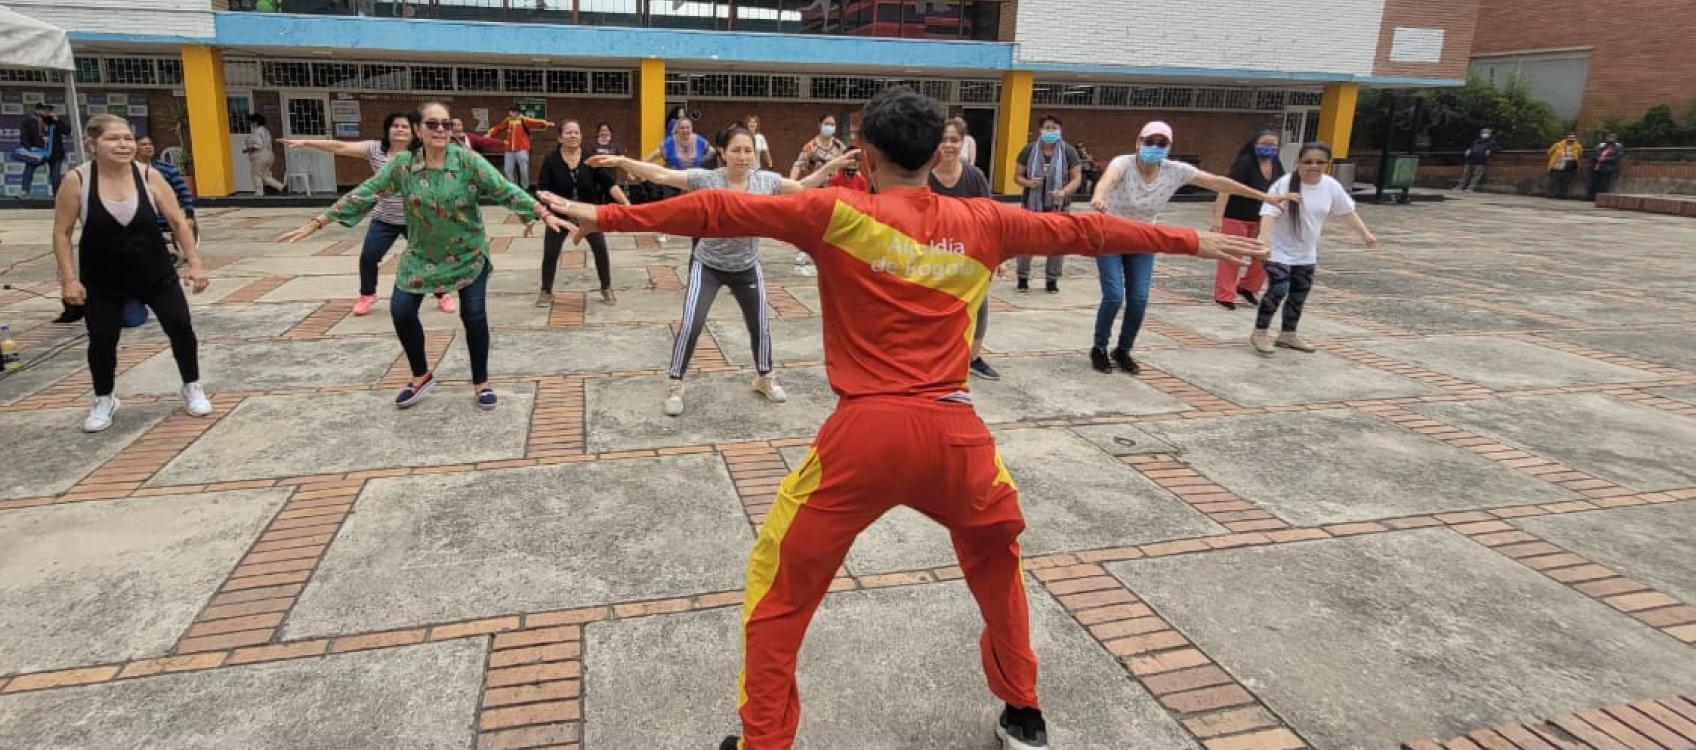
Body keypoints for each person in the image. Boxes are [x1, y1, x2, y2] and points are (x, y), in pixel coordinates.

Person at [538, 86, 1264, 750]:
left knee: (779, 584)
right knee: (997, 566)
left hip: (865, 438)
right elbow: (1085, 233)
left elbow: (720, 209)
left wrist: (608, 215)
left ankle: (764, 741)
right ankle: (1023, 714)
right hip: (958, 436)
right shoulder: (984, 219)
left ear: (868, 153)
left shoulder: (837, 213)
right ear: (937, 148)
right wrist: (1193, 239)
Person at [277, 102, 576, 411]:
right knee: (402, 311)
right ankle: (421, 375)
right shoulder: (403, 165)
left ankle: (481, 383)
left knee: (474, 317)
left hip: (467, 254)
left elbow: (505, 189)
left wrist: (540, 212)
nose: (440, 130)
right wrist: (318, 222)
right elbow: (366, 192)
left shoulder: (467, 161)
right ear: (419, 130)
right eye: (432, 124)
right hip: (421, 255)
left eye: (445, 124)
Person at [590, 122, 850, 417]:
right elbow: (662, 174)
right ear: (723, 153)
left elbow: (802, 187)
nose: (743, 157)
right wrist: (623, 161)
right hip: (708, 265)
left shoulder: (766, 182)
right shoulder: (706, 179)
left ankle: (764, 378)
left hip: (747, 267)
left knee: (761, 325)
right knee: (691, 323)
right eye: (736, 150)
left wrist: (832, 168)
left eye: (748, 151)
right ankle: (676, 383)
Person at [1087, 120, 1290, 375]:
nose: (1154, 147)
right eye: (1149, 142)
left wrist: (1265, 197)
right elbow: (1109, 178)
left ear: (1169, 147)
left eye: (1162, 143)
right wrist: (1099, 196)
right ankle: (1099, 348)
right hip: (1111, 234)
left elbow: (1219, 183)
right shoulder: (1123, 163)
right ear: (1138, 143)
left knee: (1139, 298)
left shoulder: (1175, 170)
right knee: (1115, 294)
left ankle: (1124, 350)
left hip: (1144, 238)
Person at [52, 114, 211, 433]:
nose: (123, 145)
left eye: (127, 138)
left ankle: (191, 386)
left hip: (155, 273)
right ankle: (104, 398)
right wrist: (70, 279)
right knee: (102, 339)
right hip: (103, 278)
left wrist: (195, 263)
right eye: (113, 139)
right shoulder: (78, 181)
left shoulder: (149, 175)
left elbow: (179, 222)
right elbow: (62, 233)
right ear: (93, 143)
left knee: (180, 327)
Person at [280, 113, 460, 316]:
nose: (399, 130)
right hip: (384, 217)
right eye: (395, 126)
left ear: (414, 132)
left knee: (431, 257)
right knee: (368, 257)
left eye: (405, 127)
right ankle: (367, 295)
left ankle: (441, 293)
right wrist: (306, 141)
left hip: (418, 219)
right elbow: (340, 147)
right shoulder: (375, 149)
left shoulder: (423, 153)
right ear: (388, 129)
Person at [1251, 142, 1378, 355]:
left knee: (1299, 292)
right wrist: (1263, 242)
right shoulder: (1285, 184)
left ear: (1327, 164)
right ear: (1299, 162)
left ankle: (1288, 334)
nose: (1313, 166)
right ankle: (1260, 332)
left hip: (1306, 253)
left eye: (1320, 162)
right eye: (1308, 161)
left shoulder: (1330, 186)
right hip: (1278, 250)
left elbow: (1347, 211)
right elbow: (1268, 214)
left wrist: (1365, 234)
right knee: (1279, 289)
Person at [929, 116, 1002, 381]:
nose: (948, 145)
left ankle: (974, 357)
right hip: (933, 254)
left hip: (970, 252)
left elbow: (990, 216)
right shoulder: (924, 176)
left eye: (954, 140)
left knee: (979, 302)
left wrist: (998, 256)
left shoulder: (974, 176)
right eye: (943, 140)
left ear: (963, 143)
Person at [537, 119, 631, 307]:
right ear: (560, 137)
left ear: (581, 136)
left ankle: (606, 287)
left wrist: (626, 203)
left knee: (601, 250)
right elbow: (542, 189)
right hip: (560, 215)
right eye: (568, 132)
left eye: (576, 133)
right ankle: (546, 291)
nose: (573, 136)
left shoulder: (590, 158)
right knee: (550, 252)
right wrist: (542, 215)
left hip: (589, 215)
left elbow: (609, 184)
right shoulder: (551, 160)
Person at [1210, 129, 1283, 310]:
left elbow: (1280, 189)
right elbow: (1225, 188)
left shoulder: (1276, 164)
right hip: (1236, 216)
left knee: (1263, 254)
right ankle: (1224, 295)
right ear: (1254, 145)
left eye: (1273, 145)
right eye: (1264, 144)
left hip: (1261, 218)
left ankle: (1248, 287)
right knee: (1232, 256)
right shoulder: (1245, 163)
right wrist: (1217, 218)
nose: (1268, 148)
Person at [1013, 116, 1083, 294]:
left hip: (1059, 206)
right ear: (1041, 130)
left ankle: (1052, 280)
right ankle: (1022, 277)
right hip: (1031, 204)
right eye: (1047, 128)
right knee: (1026, 242)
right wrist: (1029, 183)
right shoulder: (1029, 150)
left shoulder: (1068, 151)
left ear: (1060, 130)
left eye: (1054, 128)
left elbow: (1076, 178)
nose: (1050, 131)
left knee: (1058, 244)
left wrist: (1064, 191)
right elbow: (1017, 176)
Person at [788, 114, 850, 270]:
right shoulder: (811, 146)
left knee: (833, 222)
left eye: (832, 124)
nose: (830, 127)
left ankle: (831, 253)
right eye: (827, 123)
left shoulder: (839, 146)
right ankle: (804, 250)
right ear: (820, 125)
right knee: (811, 221)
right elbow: (799, 165)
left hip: (835, 190)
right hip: (817, 190)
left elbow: (849, 164)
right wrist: (792, 184)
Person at [645, 117, 717, 244]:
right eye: (682, 128)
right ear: (677, 130)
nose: (685, 130)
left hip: (694, 178)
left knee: (700, 206)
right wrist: (639, 165)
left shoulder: (700, 141)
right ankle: (665, 232)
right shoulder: (668, 143)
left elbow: (712, 153)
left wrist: (705, 166)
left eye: (687, 127)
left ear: (692, 128)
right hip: (673, 177)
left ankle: (702, 232)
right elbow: (654, 155)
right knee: (668, 205)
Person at [488, 104, 552, 187]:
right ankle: (512, 187)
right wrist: (490, 133)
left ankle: (525, 187)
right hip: (509, 150)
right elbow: (499, 128)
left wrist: (545, 123)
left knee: (523, 170)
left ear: (517, 113)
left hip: (522, 149)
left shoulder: (524, 120)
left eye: (512, 112)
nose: (510, 114)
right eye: (510, 112)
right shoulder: (508, 120)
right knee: (508, 170)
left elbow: (535, 122)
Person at [17, 103, 69, 199]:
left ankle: (56, 196)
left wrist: (57, 120)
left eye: (50, 110)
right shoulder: (30, 121)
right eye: (45, 109)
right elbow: (24, 136)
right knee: (29, 170)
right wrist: (29, 147)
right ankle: (25, 191)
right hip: (37, 152)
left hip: (55, 153)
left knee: (55, 176)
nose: (48, 112)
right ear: (38, 110)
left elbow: (67, 131)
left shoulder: (54, 121)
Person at [244, 113, 287, 196]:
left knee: (256, 174)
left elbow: (259, 145)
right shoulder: (266, 130)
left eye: (252, 122)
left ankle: (259, 192)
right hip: (269, 154)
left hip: (260, 155)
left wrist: (248, 149)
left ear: (255, 122)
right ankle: (280, 187)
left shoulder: (257, 131)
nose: (251, 124)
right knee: (265, 175)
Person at [1457, 128, 1500, 192]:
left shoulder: (1492, 142)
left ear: (1490, 134)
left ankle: (1471, 188)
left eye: (1486, 133)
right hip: (1470, 160)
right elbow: (1470, 147)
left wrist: (1490, 150)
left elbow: (1497, 148)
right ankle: (1460, 187)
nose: (1484, 134)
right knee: (1465, 174)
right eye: (1483, 133)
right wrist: (1468, 150)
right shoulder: (1476, 141)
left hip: (1480, 161)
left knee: (1476, 175)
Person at [1589, 132, 1626, 200]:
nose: (1610, 139)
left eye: (1612, 138)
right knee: (1594, 183)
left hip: (1607, 167)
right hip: (1597, 166)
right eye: (1608, 137)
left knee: (1604, 184)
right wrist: (1598, 158)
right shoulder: (1601, 146)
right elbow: (1593, 154)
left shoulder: (1618, 147)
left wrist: (1605, 159)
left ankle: (1601, 198)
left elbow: (1617, 157)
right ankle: (1592, 197)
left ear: (1615, 139)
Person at [1546, 133, 1583, 199]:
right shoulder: (1557, 145)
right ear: (1566, 139)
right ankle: (1550, 194)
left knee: (1566, 181)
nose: (1571, 141)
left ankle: (1561, 195)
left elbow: (1580, 155)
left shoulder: (1578, 146)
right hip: (1558, 164)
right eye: (1569, 139)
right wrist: (1554, 158)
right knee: (1554, 180)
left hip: (1570, 165)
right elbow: (1549, 152)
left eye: (1572, 140)